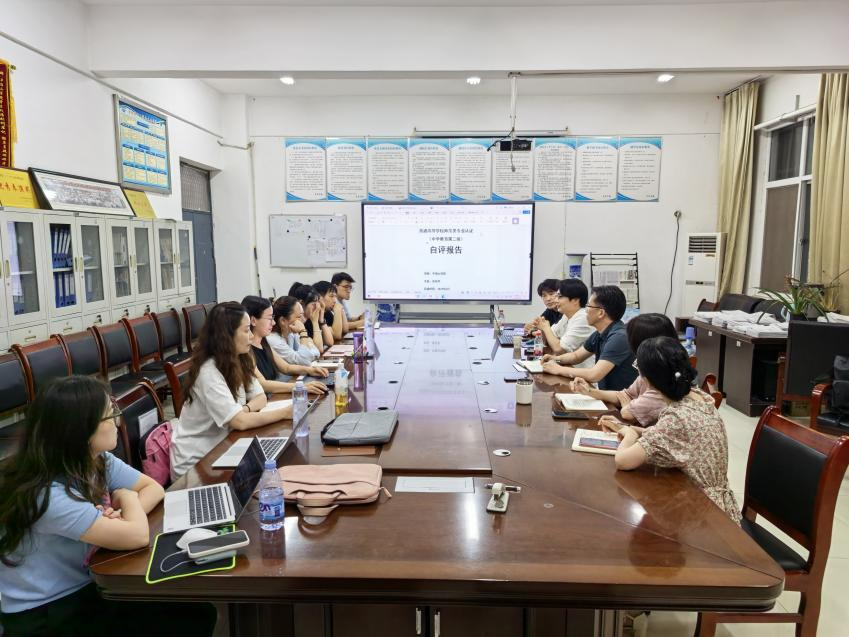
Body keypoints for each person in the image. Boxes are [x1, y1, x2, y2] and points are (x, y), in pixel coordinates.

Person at [0, 376, 213, 636]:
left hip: (85, 584)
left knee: (193, 610)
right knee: (188, 618)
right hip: (47, 612)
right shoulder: (46, 495)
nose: (117, 421)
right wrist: (127, 499)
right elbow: (138, 535)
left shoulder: (96, 460)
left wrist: (122, 516)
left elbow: (154, 488)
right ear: (80, 429)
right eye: (110, 415)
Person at [603, 336, 741, 524]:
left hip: (703, 514)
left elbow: (623, 461)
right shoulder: (698, 397)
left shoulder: (676, 418)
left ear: (647, 381)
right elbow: (674, 436)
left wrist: (629, 433)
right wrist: (627, 428)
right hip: (711, 504)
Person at [170, 302, 293, 479]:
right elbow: (240, 422)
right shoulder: (208, 372)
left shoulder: (239, 358)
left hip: (224, 444)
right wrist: (284, 413)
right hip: (196, 463)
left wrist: (244, 411)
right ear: (227, 336)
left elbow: (260, 397)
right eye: (246, 330)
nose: (251, 336)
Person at [569, 313, 679, 426]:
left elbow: (628, 414)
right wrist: (589, 391)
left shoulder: (663, 380)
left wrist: (626, 406)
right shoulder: (649, 367)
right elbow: (625, 395)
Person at [541, 285, 638, 390]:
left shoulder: (619, 337)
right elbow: (576, 356)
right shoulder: (600, 333)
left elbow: (594, 375)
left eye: (589, 306)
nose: (586, 311)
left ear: (601, 313)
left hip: (618, 398)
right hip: (605, 393)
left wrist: (558, 369)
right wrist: (556, 359)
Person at [241, 295, 329, 395]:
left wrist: (310, 370)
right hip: (268, 399)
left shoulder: (264, 342)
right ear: (253, 321)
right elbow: (263, 384)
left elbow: (286, 367)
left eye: (273, 318)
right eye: (269, 318)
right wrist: (301, 386)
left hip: (273, 397)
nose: (273, 322)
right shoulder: (246, 349)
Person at [535, 279, 593, 367]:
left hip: (581, 372)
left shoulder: (583, 318)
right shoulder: (566, 315)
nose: (556, 300)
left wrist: (546, 328)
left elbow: (559, 349)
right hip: (567, 366)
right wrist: (542, 328)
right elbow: (548, 339)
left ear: (575, 300)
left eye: (559, 297)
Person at [266, 295, 323, 369]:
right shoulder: (274, 340)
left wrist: (306, 354)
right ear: (283, 321)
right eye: (299, 317)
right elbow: (304, 361)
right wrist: (303, 332)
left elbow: (316, 352)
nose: (303, 320)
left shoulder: (291, 334)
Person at [289, 283, 333, 351]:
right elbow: (319, 349)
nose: (318, 307)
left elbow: (330, 342)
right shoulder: (296, 323)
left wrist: (321, 320)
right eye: (314, 304)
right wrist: (315, 322)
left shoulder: (310, 319)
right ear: (301, 303)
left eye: (318, 303)